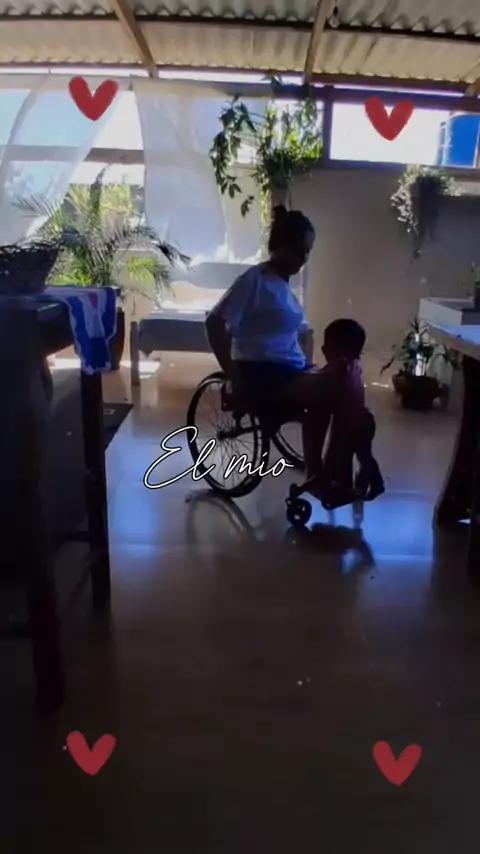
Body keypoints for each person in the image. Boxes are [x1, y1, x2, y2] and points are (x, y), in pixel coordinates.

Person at [205, 205, 374, 500]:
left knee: (347, 378)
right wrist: (233, 375)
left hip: (292, 369)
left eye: (308, 251)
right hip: (263, 372)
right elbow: (214, 322)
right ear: (279, 246)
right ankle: (329, 472)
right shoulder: (254, 280)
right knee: (337, 384)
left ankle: (331, 470)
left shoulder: (282, 285)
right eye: (298, 251)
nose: (303, 258)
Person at [319, 319, 385, 507]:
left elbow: (320, 379)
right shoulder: (354, 364)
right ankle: (373, 482)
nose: (323, 349)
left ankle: (344, 487)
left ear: (340, 351)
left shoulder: (338, 368)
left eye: (327, 346)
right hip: (363, 419)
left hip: (349, 424)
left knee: (342, 456)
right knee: (363, 454)